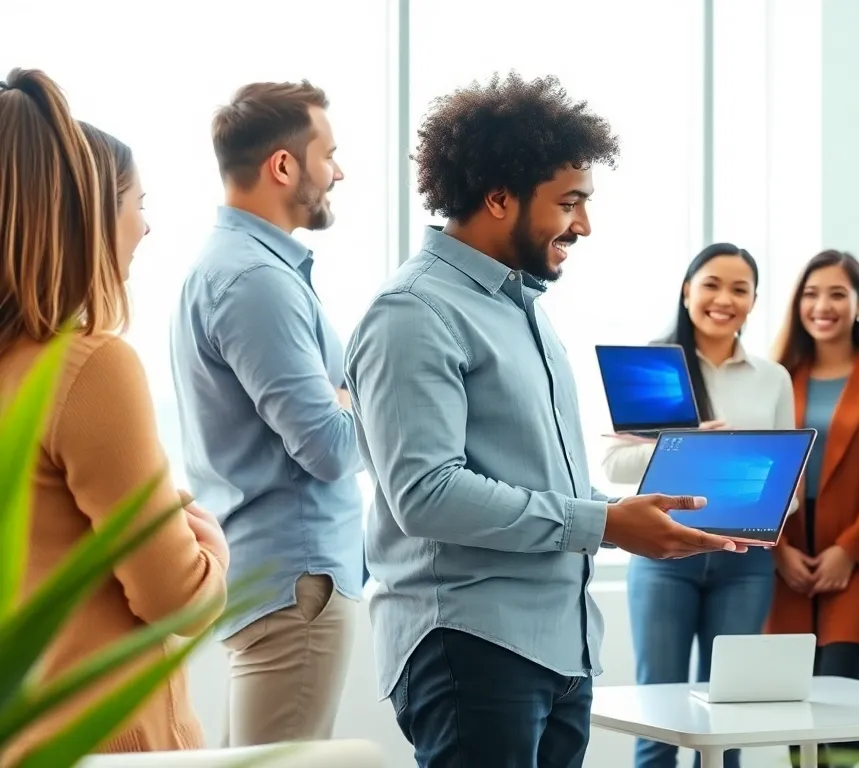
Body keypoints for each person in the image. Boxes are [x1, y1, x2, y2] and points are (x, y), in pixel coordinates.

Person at [345, 72, 742, 768]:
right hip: (472, 646)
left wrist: (627, 517)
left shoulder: (524, 310)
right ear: (499, 197)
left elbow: (533, 477)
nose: (583, 225)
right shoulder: (413, 312)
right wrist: (604, 523)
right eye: (570, 202)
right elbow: (426, 494)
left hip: (559, 647)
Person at [0, 70, 228, 759]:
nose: (145, 225)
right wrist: (209, 537)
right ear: (80, 211)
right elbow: (178, 597)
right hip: (111, 747)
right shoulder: (90, 369)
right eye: (137, 202)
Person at [169, 80, 362, 747]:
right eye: (328, 154)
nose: (339, 171)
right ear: (284, 165)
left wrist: (340, 396)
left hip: (276, 580)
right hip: (296, 579)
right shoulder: (255, 280)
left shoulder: (235, 269)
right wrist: (364, 394)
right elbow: (332, 448)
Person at [602, 243, 794, 768]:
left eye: (740, 289)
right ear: (687, 291)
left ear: (754, 301)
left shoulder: (771, 376)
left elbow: (789, 482)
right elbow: (611, 466)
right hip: (664, 553)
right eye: (711, 284)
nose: (723, 298)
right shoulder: (651, 368)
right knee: (658, 714)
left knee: (729, 719)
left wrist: (775, 498)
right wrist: (682, 443)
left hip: (743, 560)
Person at [766, 249, 859, 768]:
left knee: (840, 716)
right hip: (785, 554)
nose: (823, 306)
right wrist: (779, 552)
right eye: (812, 294)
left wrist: (852, 549)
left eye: (838, 293)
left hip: (855, 558)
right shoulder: (774, 375)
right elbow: (758, 472)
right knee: (795, 720)